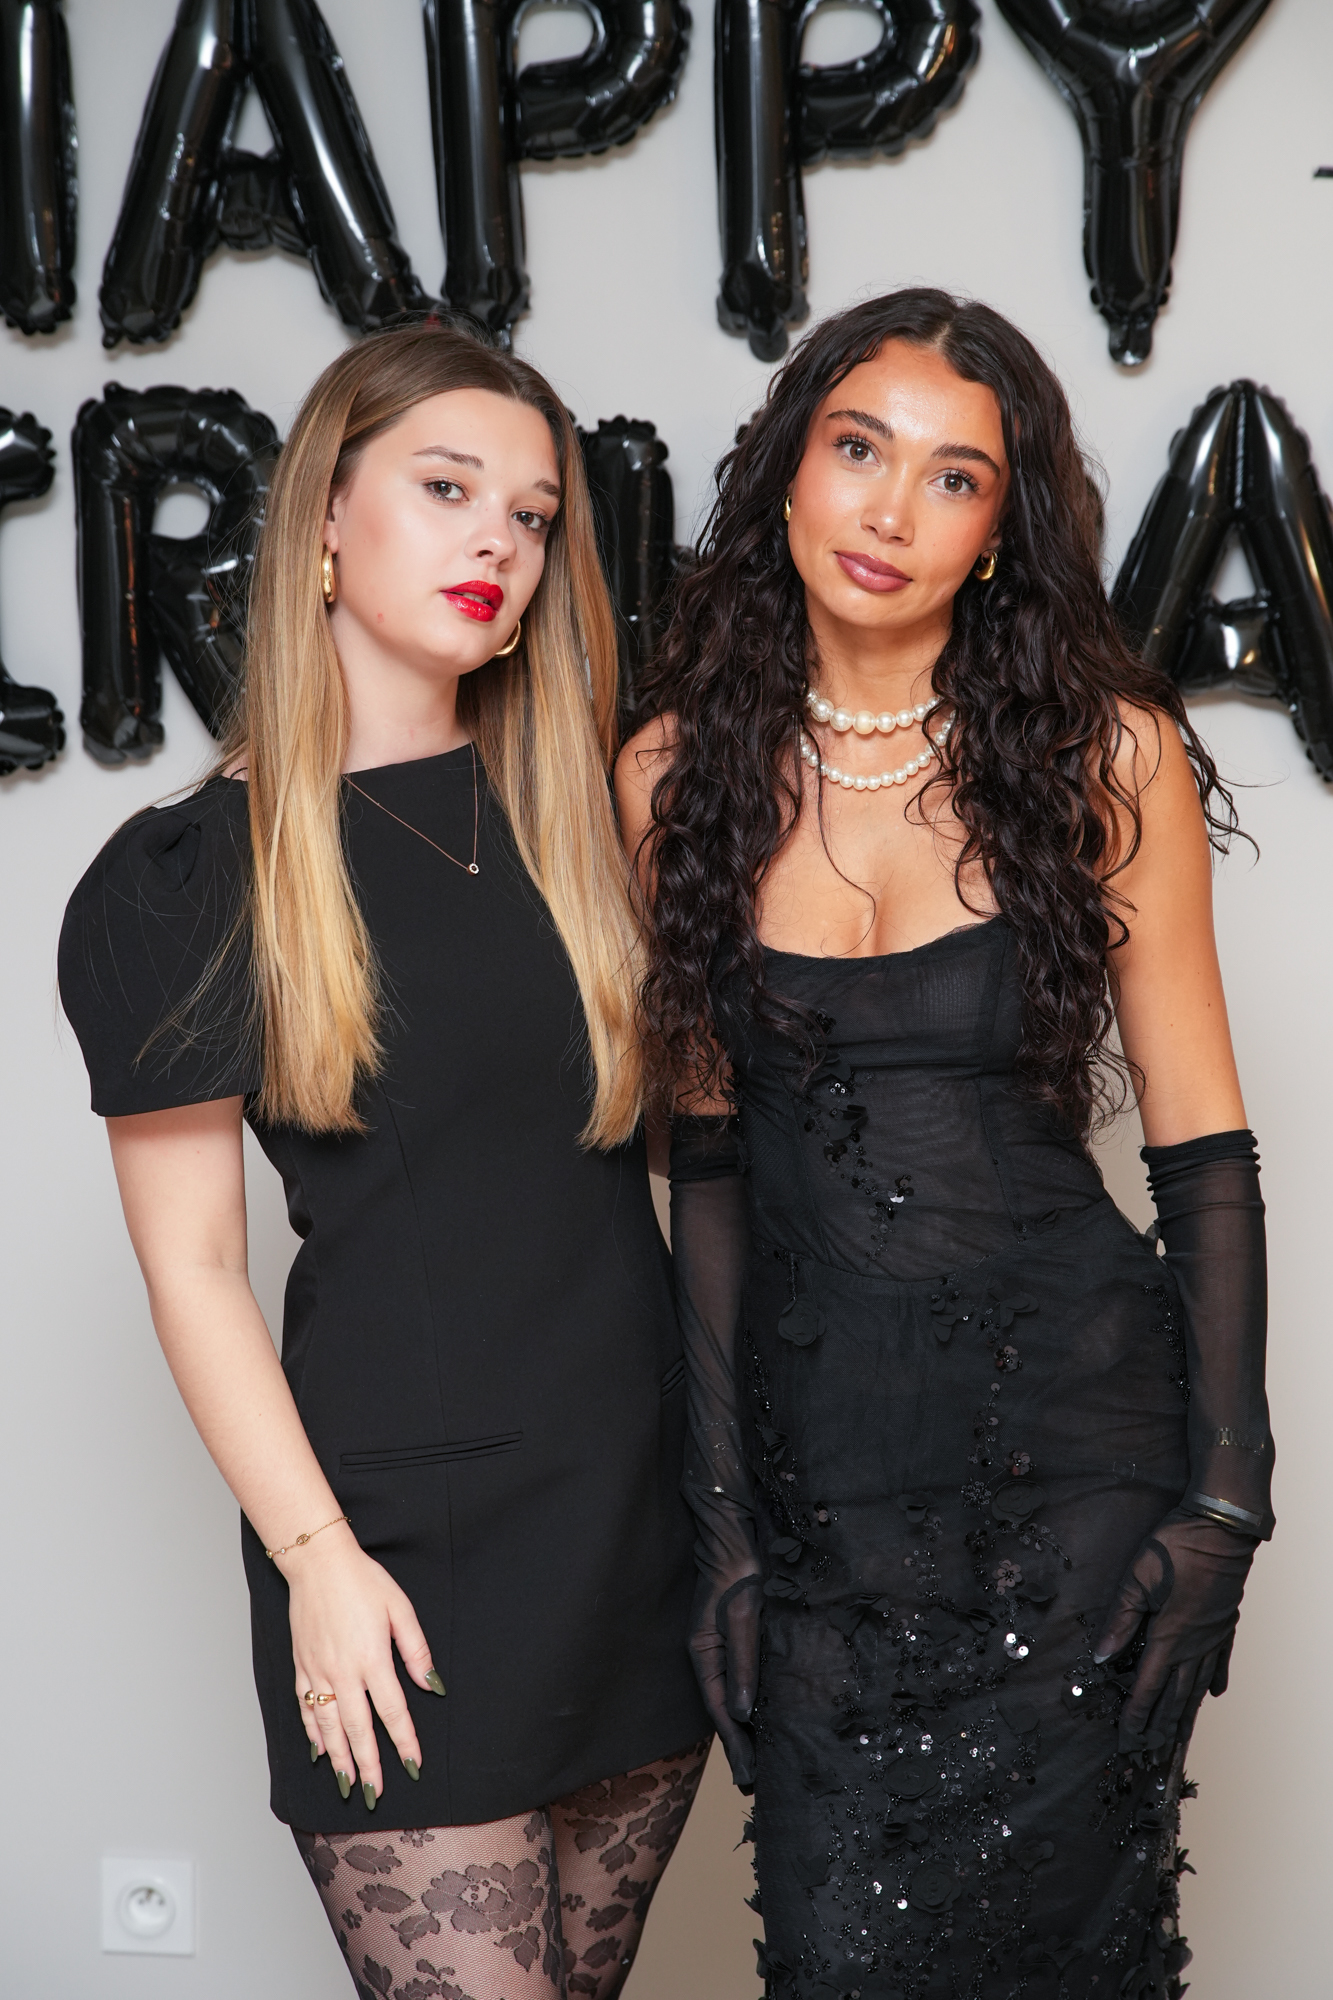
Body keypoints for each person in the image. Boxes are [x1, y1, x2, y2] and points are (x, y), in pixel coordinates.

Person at [617, 289, 1271, 2000]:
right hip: (823, 1490)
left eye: (953, 477)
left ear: (999, 531)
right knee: (842, 1957)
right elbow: (708, 1175)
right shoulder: (669, 776)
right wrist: (724, 1523)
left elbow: (1203, 1152)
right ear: (786, 471)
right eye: (857, 449)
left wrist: (1225, 1494)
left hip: (1076, 1466)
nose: (890, 510)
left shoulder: (1102, 755)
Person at [60, 321, 708, 1999]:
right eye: (446, 489)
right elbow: (195, 1270)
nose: (499, 539)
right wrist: (315, 1564)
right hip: (400, 1551)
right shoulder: (189, 876)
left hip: (638, 1527)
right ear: (324, 523)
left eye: (533, 514)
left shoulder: (590, 822)